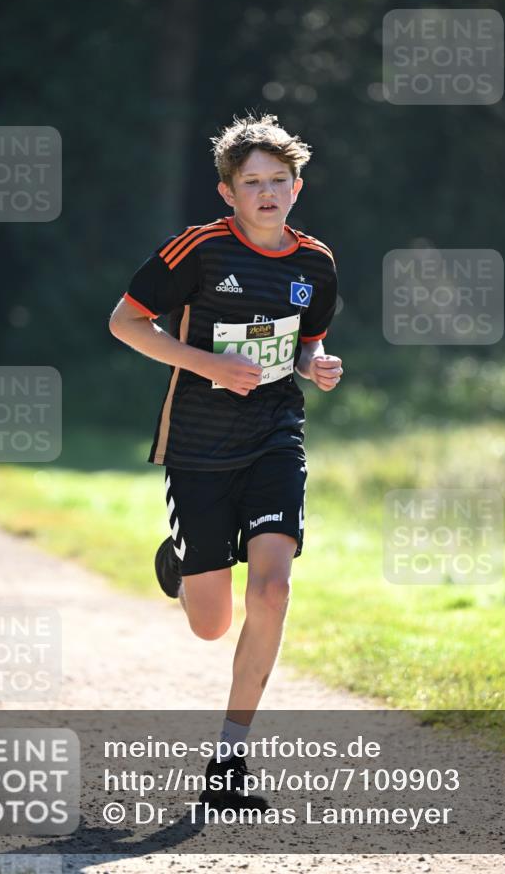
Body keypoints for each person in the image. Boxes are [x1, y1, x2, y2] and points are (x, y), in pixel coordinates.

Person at [109, 112, 342, 811]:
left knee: (271, 591)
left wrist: (317, 363)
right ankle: (183, 564)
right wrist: (209, 362)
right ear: (227, 193)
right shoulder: (200, 250)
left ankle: (229, 759)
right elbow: (125, 323)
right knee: (210, 622)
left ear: (296, 188)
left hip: (275, 434)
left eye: (278, 180)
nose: (266, 193)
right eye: (252, 182)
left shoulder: (315, 264)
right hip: (200, 448)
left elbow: (306, 344)